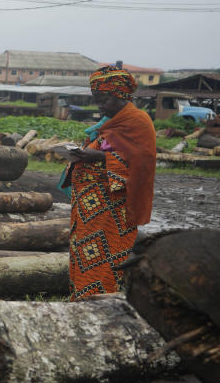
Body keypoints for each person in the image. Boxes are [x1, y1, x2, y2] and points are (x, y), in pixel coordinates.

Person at [64, 65, 156, 301]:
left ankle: (99, 302)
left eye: (103, 100)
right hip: (90, 209)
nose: (100, 106)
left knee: (106, 257)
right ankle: (81, 299)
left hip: (113, 208)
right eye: (97, 100)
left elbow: (142, 162)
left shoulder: (138, 121)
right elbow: (109, 148)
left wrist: (99, 157)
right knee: (84, 253)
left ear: (119, 95)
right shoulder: (111, 121)